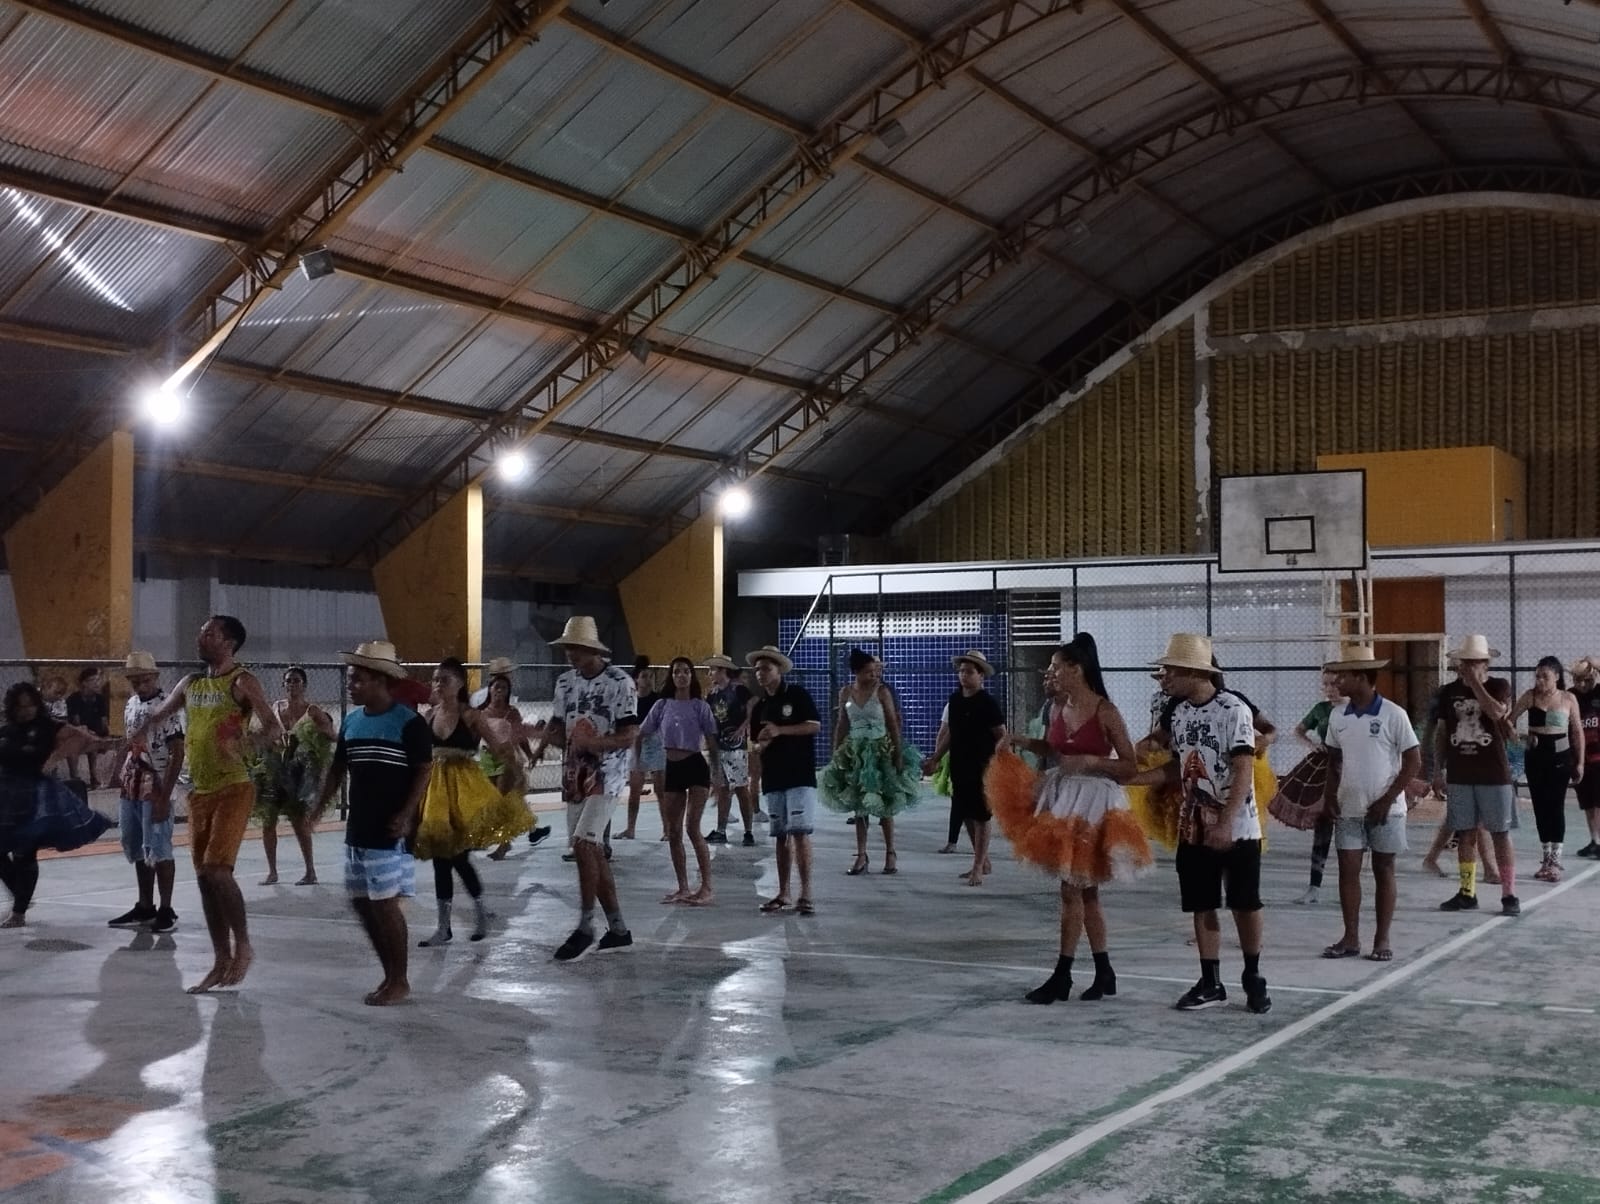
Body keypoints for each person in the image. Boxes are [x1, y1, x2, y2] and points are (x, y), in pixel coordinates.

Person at [989, 634, 1149, 1004]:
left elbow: (1129, 766)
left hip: (1094, 802)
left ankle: (1063, 975)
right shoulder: (1057, 707)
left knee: (1072, 890)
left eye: (1057, 666)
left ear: (1077, 669)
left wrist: (1092, 761)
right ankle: (1103, 971)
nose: (1051, 672)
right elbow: (1055, 749)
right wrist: (1021, 741)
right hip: (1064, 798)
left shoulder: (1105, 711)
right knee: (1083, 890)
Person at [131, 615, 283, 992]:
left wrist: (246, 744)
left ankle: (243, 945)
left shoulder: (241, 681)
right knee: (204, 879)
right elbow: (158, 716)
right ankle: (220, 960)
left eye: (209, 633)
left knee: (217, 871)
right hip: (200, 792)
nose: (200, 638)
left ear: (228, 643)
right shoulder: (191, 683)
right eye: (201, 632)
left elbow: (274, 728)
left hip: (234, 787)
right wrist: (121, 739)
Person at [1151, 633, 1272, 1014]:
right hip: (1194, 825)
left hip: (1238, 827)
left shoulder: (1233, 709)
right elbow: (1179, 764)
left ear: (1193, 672)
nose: (1166, 677)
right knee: (1202, 903)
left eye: (1172, 670)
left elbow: (1243, 767)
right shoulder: (1179, 713)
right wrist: (1134, 778)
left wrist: (1226, 821)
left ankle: (1252, 973)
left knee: (1244, 902)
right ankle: (1210, 980)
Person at [310, 641, 432, 1006]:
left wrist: (407, 813)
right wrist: (318, 807)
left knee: (385, 905)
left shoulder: (409, 723)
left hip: (388, 830)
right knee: (362, 903)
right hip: (359, 828)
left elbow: (424, 770)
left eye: (357, 679)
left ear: (380, 680)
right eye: (350, 678)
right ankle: (389, 973)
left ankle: (400, 979)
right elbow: (338, 768)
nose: (350, 685)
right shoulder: (352, 721)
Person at [534, 616, 637, 960]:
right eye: (567, 648)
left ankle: (585, 925)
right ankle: (618, 928)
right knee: (590, 851)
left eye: (575, 647)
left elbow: (629, 735)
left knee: (583, 843)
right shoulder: (565, 683)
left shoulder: (620, 683)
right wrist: (536, 739)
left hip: (608, 775)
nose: (570, 653)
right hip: (575, 776)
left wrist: (594, 744)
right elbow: (558, 727)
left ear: (593, 650)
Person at [414, 658, 529, 947]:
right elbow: (420, 755)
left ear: (460, 684)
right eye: (435, 679)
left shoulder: (471, 716)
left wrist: (517, 772)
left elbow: (498, 747)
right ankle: (443, 927)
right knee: (440, 858)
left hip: (464, 791)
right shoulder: (428, 715)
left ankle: (479, 914)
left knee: (459, 858)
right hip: (436, 792)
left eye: (444, 680)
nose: (438, 684)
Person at [1318, 645, 1422, 962]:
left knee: (1384, 869)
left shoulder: (1393, 714)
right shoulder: (1338, 716)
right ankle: (1350, 938)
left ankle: (1382, 939)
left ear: (1361, 677)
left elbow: (1413, 762)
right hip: (1348, 808)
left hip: (1386, 811)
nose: (1337, 682)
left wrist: (1387, 800)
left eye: (1344, 676)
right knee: (1347, 871)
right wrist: (1329, 797)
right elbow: (1334, 760)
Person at [0, 682, 115, 927]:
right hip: (6, 795)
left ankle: (19, 912)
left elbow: (82, 737)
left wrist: (54, 759)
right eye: (20, 707)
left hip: (34, 797)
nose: (26, 711)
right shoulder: (7, 730)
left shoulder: (47, 727)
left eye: (30, 706)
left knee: (24, 852)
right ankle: (21, 893)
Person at [1434, 634, 1520, 916]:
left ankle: (1509, 893)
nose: (1468, 667)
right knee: (1466, 833)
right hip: (1460, 773)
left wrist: (1475, 684)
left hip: (1493, 773)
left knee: (1500, 833)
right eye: (1465, 662)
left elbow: (1496, 712)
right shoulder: (1448, 692)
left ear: (1485, 664)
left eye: (1474, 662)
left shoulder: (1498, 686)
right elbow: (1442, 732)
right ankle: (1467, 891)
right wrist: (1438, 769)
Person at [821, 649, 921, 876]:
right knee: (859, 805)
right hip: (855, 751)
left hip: (880, 750)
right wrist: (836, 751)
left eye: (875, 671)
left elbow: (892, 723)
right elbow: (842, 723)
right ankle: (861, 854)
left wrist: (897, 754)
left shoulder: (882, 691)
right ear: (856, 672)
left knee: (884, 802)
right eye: (868, 672)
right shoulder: (846, 692)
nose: (874, 675)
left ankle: (890, 852)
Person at [108, 652, 185, 934]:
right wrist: (120, 771)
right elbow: (131, 740)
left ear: (155, 677)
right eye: (135, 681)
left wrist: (164, 796)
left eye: (145, 680)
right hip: (133, 780)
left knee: (159, 846)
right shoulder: (131, 704)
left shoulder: (167, 707)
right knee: (136, 842)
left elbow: (177, 752)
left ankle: (166, 908)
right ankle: (145, 904)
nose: (140, 686)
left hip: (156, 783)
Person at [639, 656, 721, 904]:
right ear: (671, 676)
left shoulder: (700, 706)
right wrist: (638, 763)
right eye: (676, 672)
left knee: (692, 828)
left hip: (695, 767)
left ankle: (706, 887)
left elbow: (712, 744)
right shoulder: (662, 705)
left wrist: (717, 775)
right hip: (672, 768)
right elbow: (641, 732)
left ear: (691, 676)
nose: (681, 675)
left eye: (686, 671)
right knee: (673, 832)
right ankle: (683, 887)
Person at [922, 650, 1006, 886]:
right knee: (966, 812)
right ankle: (982, 861)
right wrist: (936, 758)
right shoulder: (955, 700)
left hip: (982, 765)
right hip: (960, 764)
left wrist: (1003, 764)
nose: (964, 676)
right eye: (961, 671)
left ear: (981, 676)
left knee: (981, 815)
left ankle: (978, 866)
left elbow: (1002, 735)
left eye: (969, 672)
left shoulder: (987, 703)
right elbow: (951, 733)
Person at [749, 645, 822, 915]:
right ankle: (784, 892)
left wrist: (781, 730)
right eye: (757, 669)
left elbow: (814, 725)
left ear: (779, 670)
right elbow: (756, 743)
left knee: (799, 832)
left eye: (766, 669)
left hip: (799, 774)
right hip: (774, 776)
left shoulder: (797, 695)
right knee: (780, 836)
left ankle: (806, 893)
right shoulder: (760, 707)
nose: (761, 673)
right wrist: (761, 746)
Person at [252, 666, 334, 886]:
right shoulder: (276, 708)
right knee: (268, 820)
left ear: (304, 685)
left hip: (299, 774)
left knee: (299, 822)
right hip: (276, 770)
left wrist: (319, 737)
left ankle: (310, 871)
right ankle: (272, 872)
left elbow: (331, 734)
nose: (292, 685)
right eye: (288, 681)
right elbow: (266, 733)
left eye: (296, 681)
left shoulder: (312, 711)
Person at [1268, 671, 1344, 905]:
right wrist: (1312, 745)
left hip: (1350, 769)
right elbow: (1298, 731)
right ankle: (1314, 887)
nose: (1329, 689)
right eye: (1325, 684)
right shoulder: (1321, 709)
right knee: (1323, 826)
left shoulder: (1356, 709)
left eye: (1334, 683)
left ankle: (1351, 886)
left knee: (1350, 831)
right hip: (1324, 769)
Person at [1511, 656, 1585, 883]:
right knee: (1540, 806)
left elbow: (1577, 732)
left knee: (1556, 805)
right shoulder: (1529, 696)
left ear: (1557, 676)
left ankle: (1555, 859)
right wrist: (1520, 738)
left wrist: (1580, 762)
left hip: (1560, 757)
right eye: (1537, 676)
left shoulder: (1567, 698)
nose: (1540, 680)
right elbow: (1508, 721)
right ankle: (1545, 857)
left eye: (1545, 676)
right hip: (1535, 756)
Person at [478, 659, 551, 859]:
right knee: (497, 801)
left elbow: (520, 737)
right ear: (490, 688)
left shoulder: (511, 712)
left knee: (503, 800)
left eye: (503, 688)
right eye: (496, 687)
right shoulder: (481, 711)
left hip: (507, 760)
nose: (499, 691)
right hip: (487, 760)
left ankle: (504, 843)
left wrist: (530, 755)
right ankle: (529, 830)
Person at [705, 655, 756, 847]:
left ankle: (748, 831)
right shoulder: (712, 694)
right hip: (719, 746)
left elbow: (754, 706)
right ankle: (721, 830)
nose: (710, 674)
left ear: (723, 670)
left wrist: (743, 727)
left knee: (741, 787)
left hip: (735, 747)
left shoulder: (738, 690)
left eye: (713, 670)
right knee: (723, 788)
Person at [619, 662, 664, 840]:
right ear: (636, 679)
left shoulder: (658, 700)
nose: (648, 680)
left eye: (650, 676)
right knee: (635, 790)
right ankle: (630, 829)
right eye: (644, 676)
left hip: (656, 743)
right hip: (637, 743)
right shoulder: (631, 700)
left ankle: (667, 829)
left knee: (660, 790)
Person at [66, 666, 110, 789]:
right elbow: (76, 723)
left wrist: (105, 736)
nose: (97, 683)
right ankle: (74, 777)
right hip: (76, 733)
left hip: (94, 734)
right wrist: (87, 732)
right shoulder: (73, 699)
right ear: (84, 683)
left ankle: (94, 776)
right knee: (74, 743)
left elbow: (104, 722)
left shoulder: (100, 699)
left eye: (98, 680)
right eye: (93, 680)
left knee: (94, 742)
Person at [1573, 658, 1600, 858]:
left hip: (1599, 757)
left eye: (1587, 679)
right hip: (1581, 759)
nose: (1582, 684)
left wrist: (1595, 663)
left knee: (1599, 803)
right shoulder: (1571, 696)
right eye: (1578, 680)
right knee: (1588, 803)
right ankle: (1594, 841)